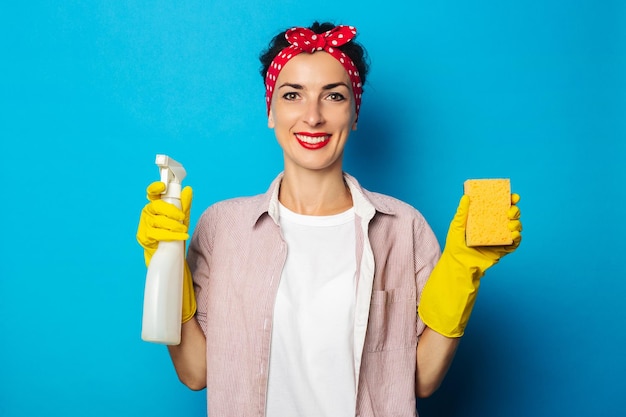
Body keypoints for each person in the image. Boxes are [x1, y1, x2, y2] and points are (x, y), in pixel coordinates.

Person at [136, 21, 522, 417]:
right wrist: (166, 266)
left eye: (333, 96)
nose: (313, 116)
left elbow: (422, 378)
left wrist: (462, 269)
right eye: (292, 95)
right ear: (270, 110)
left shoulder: (403, 228)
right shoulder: (222, 228)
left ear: (355, 114)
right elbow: (196, 371)